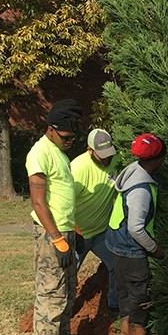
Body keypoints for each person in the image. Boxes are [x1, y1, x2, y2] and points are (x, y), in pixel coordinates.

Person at [26, 98, 93, 335]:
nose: (69, 141)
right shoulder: (39, 153)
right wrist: (56, 238)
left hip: (64, 231)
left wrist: (71, 233)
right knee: (51, 296)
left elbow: (64, 200)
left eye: (73, 137)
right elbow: (39, 202)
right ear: (50, 129)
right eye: (65, 136)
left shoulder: (60, 153)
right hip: (50, 235)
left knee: (68, 293)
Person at [106, 133, 166, 335]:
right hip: (130, 248)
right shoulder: (141, 189)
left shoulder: (133, 171)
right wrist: (155, 249)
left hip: (115, 242)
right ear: (157, 160)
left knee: (124, 291)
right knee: (139, 293)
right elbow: (136, 228)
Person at [71, 129, 120, 309]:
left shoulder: (115, 160)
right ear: (89, 150)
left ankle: (113, 305)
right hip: (79, 234)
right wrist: (75, 234)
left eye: (109, 154)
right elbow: (65, 205)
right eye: (102, 156)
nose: (106, 159)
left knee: (116, 266)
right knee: (68, 275)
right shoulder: (78, 168)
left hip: (101, 234)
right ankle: (64, 312)